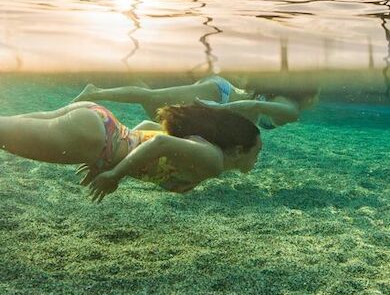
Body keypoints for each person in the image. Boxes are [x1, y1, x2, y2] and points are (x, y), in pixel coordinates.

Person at [0, 101, 262, 202]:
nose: (258, 159)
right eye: (256, 152)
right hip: (95, 140)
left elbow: (148, 129)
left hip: (100, 124)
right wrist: (114, 173)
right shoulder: (213, 160)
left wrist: (110, 160)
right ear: (239, 150)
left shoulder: (202, 146)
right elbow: (161, 144)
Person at [73, 76, 319, 128]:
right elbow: (253, 106)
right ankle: (95, 91)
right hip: (218, 94)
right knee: (153, 101)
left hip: (221, 104)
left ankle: (140, 87)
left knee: (158, 115)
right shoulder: (291, 111)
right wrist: (221, 107)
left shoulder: (283, 97)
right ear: (307, 95)